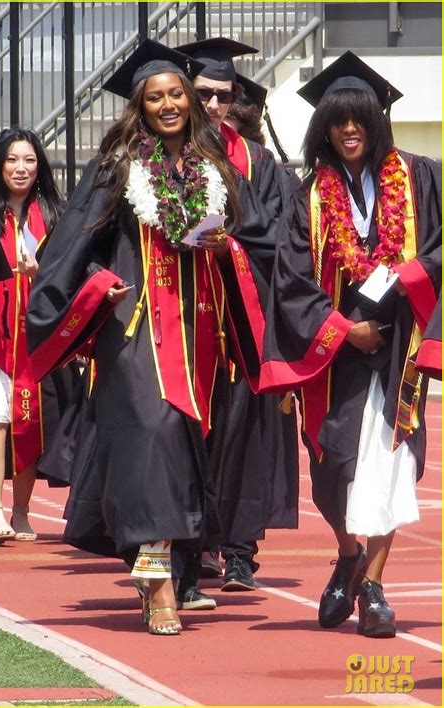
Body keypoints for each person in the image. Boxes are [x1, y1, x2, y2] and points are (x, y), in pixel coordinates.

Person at [26, 40, 270, 636]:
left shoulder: (215, 168)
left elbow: (257, 239)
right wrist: (95, 287)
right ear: (140, 106)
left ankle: (168, 566)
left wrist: (228, 247)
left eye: (176, 95)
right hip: (135, 327)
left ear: (190, 101)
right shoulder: (117, 167)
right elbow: (71, 250)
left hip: (199, 329)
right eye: (155, 97)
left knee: (185, 448)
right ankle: (157, 580)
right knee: (153, 438)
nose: (167, 105)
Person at [260, 52, 441, 638]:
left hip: (396, 350)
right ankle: (346, 550)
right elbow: (290, 279)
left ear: (377, 119)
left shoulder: (419, 176)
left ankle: (375, 587)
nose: (349, 128)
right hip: (336, 354)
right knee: (332, 470)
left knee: (390, 467)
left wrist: (411, 279)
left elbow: (440, 249)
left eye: (360, 116)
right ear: (325, 127)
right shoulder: (308, 195)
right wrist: (341, 329)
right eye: (338, 119)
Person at [176, 38, 300, 594]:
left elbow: (282, 233)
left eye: (224, 96)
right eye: (204, 93)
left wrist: (233, 245)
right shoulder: (164, 157)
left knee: (246, 435)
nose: (215, 105)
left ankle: (240, 552)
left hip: (244, 319)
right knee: (191, 434)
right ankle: (192, 543)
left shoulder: (261, 164)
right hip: (183, 318)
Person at [0, 127, 66, 545]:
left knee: (28, 417)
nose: (20, 168)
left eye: (28, 160)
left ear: (39, 164)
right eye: (12, 159)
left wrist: (40, 274)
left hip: (39, 331)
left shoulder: (55, 213)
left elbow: (70, 272)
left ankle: (22, 511)